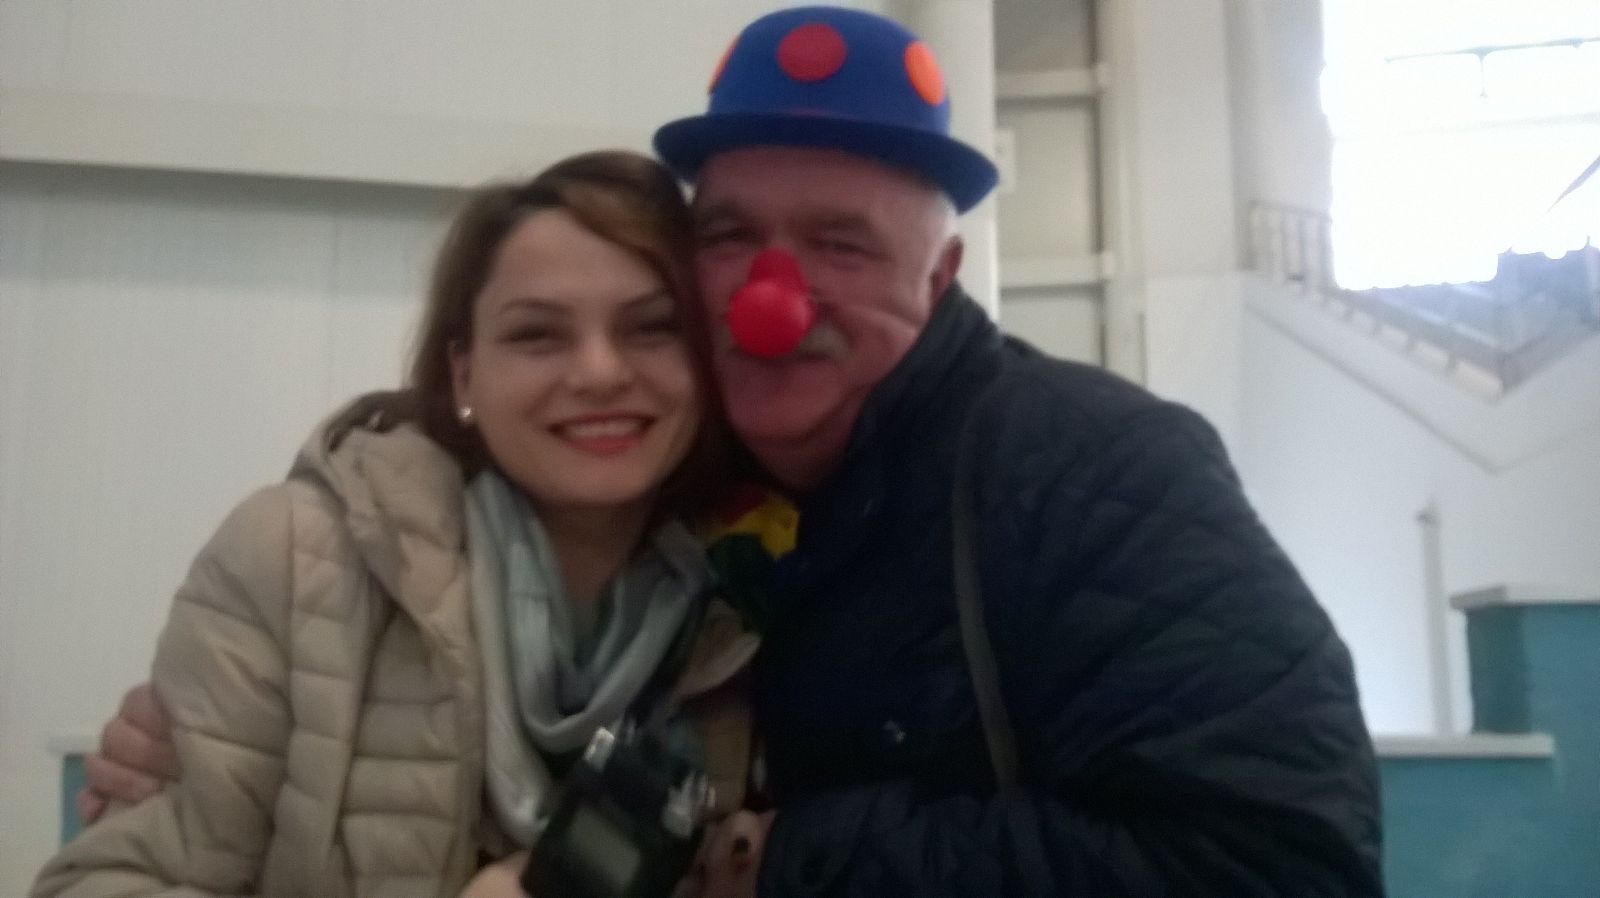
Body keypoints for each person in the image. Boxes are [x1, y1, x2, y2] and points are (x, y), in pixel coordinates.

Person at [81, 6, 1386, 896]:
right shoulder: (719, 529)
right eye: (730, 239)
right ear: (463, 367)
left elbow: (1283, 861)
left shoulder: (1088, 467)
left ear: (939, 279)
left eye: (842, 244)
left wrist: (779, 857)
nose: (772, 298)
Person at [31, 150, 766, 898]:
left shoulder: (751, 608)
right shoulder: (299, 560)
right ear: (463, 373)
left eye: (653, 328)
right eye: (537, 335)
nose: (601, 373)